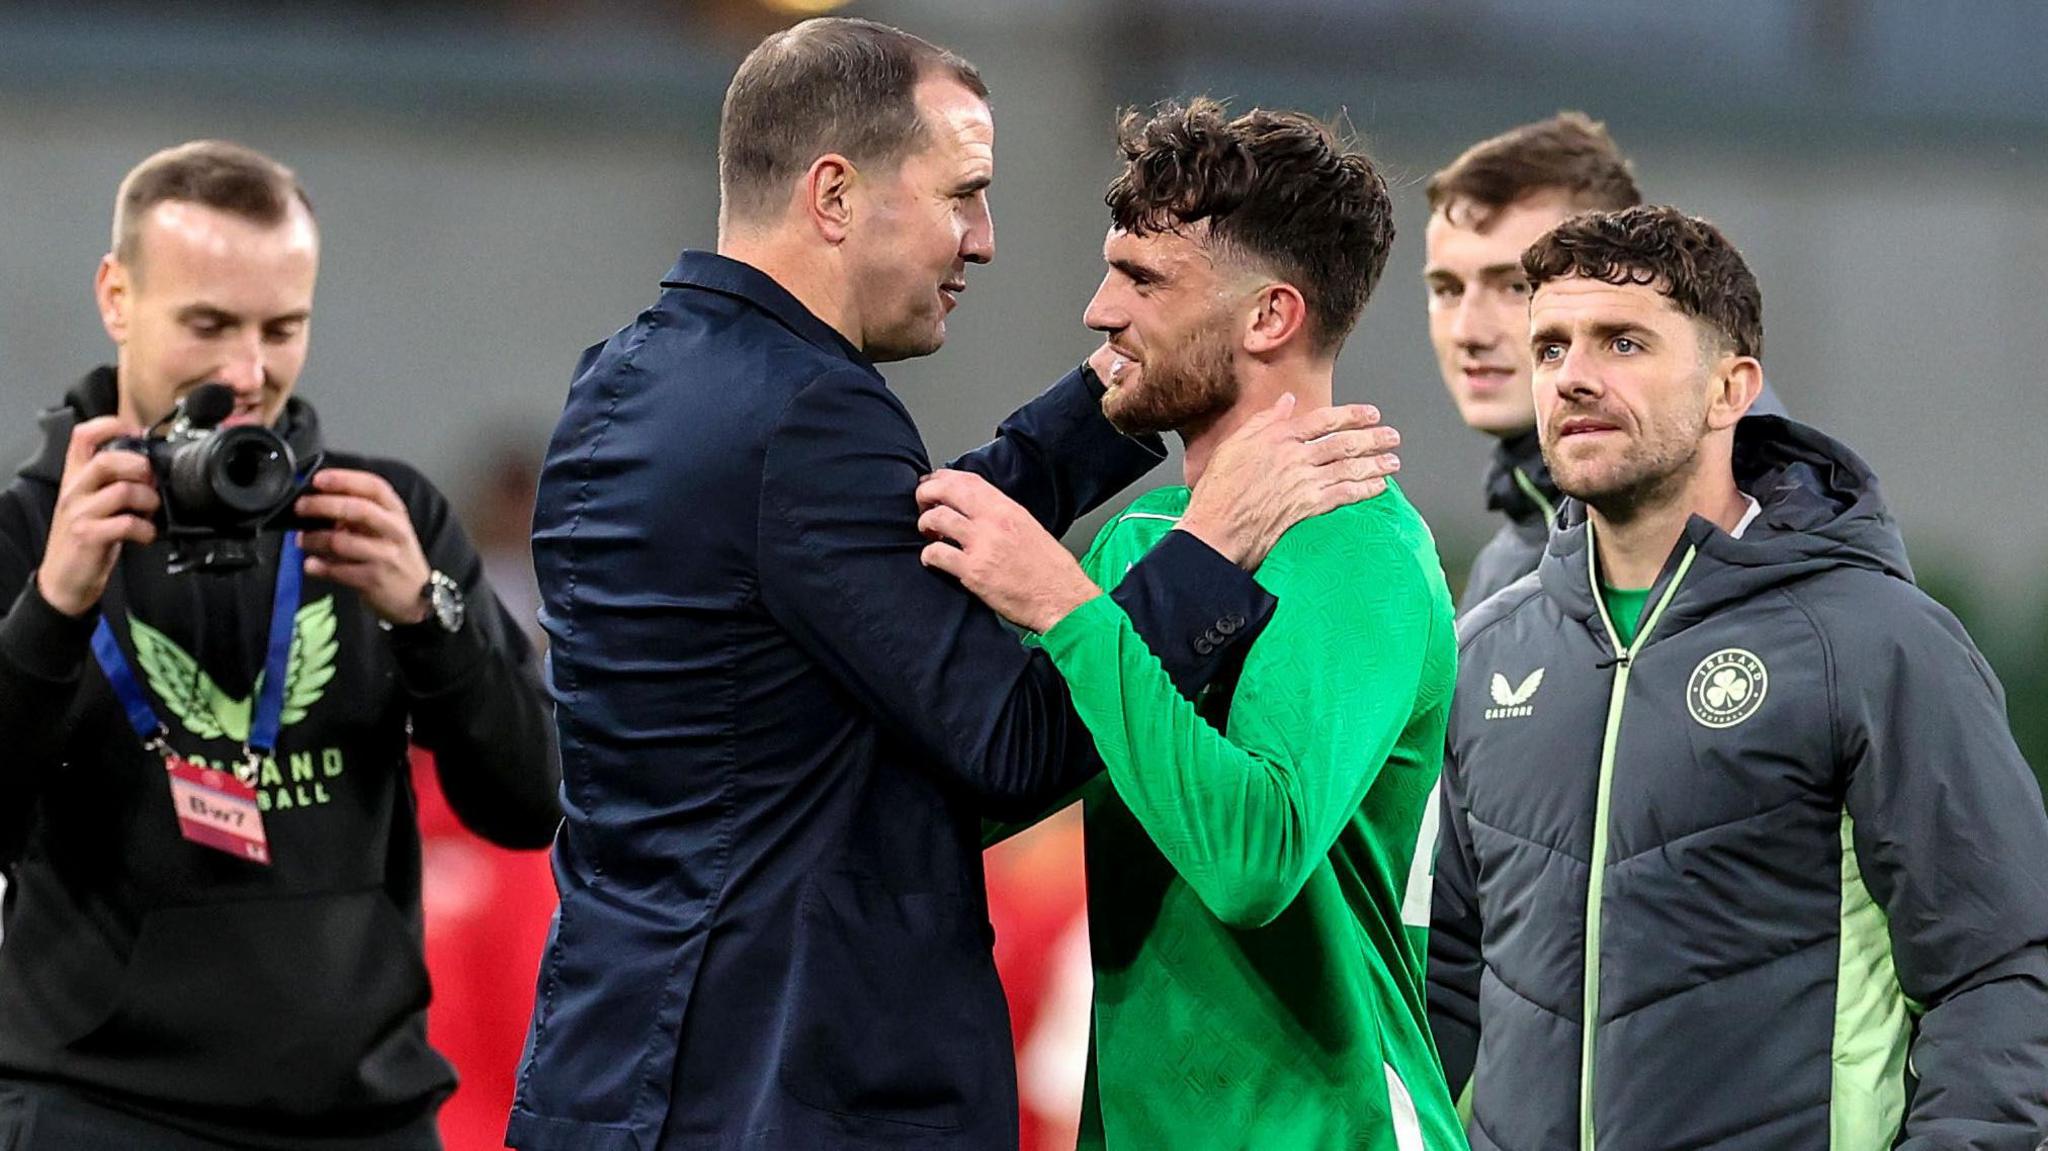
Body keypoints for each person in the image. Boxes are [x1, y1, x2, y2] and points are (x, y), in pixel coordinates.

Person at [509, 19, 1401, 1151]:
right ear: (834, 196)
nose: (983, 240)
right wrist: (1205, 547)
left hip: (611, 1063)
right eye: (962, 193)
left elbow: (859, 560)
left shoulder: (628, 377)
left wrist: (1102, 413)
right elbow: (1017, 745)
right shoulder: (813, 416)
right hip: (779, 1084)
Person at [1427, 205, 2048, 1149]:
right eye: (1550, 348)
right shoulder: (1487, 654)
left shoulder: (1878, 644)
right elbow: (1445, 977)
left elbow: (2001, 970)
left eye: (1622, 342)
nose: (1573, 377)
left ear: (1731, 390)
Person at [917, 98, 1463, 1150]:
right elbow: (980, 796)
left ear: (1268, 318)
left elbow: (1253, 859)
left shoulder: (1357, 555)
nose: (1096, 311)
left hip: (1321, 1126)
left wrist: (1062, 605)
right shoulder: (1143, 541)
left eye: (1143, 281)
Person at [0, 141, 561, 1149]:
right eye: (207, 325)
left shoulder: (383, 519)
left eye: (281, 328)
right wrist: (52, 606)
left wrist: (428, 619)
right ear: (117, 297)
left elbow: (528, 803)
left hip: (364, 1117)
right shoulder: (25, 536)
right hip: (100, 1113)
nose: (244, 373)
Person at [1423, 113, 1783, 614]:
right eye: (1447, 289)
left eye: (1514, 287)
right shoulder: (1507, 565)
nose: (1468, 332)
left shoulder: (1795, 538)